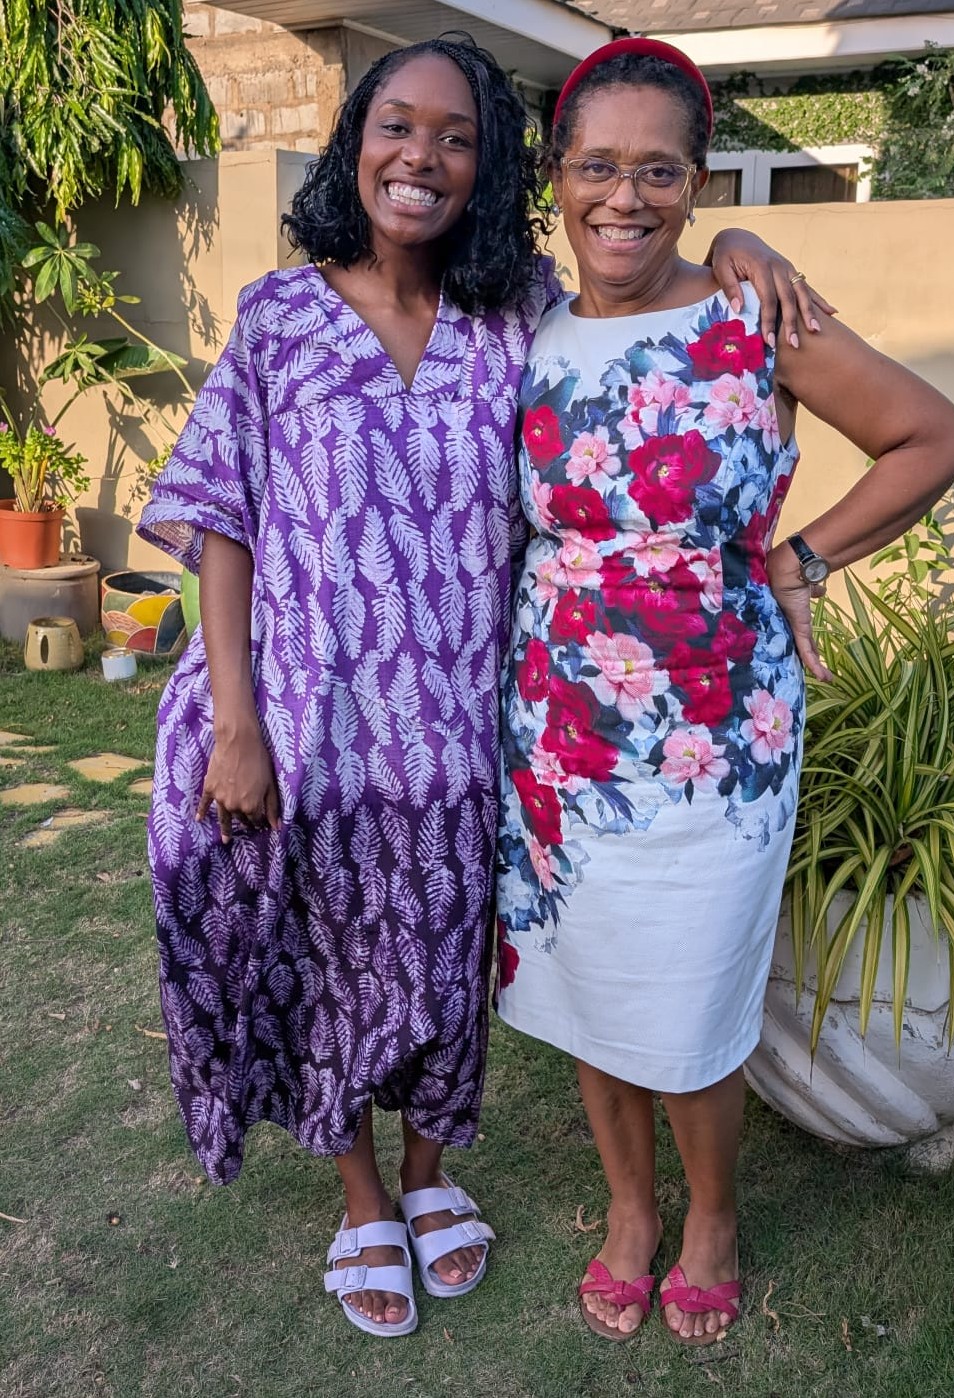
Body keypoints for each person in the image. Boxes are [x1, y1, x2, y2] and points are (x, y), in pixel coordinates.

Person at [137, 35, 825, 1340]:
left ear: (489, 168)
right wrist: (236, 722)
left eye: (457, 137)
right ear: (357, 142)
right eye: (399, 126)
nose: (424, 157)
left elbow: (647, 261)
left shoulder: (514, 320)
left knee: (445, 969)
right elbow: (220, 517)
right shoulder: (281, 317)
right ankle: (358, 1202)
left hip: (471, 732)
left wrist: (745, 250)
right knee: (332, 962)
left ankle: (430, 1174)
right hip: (307, 723)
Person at [495, 36, 954, 1348]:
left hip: (721, 734)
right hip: (558, 738)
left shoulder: (749, 315)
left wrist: (801, 552)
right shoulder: (522, 333)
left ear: (701, 184)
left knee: (696, 991)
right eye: (597, 165)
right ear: (556, 174)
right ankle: (631, 1206)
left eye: (660, 170)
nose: (625, 196)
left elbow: (933, 433)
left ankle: (709, 1215)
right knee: (595, 981)